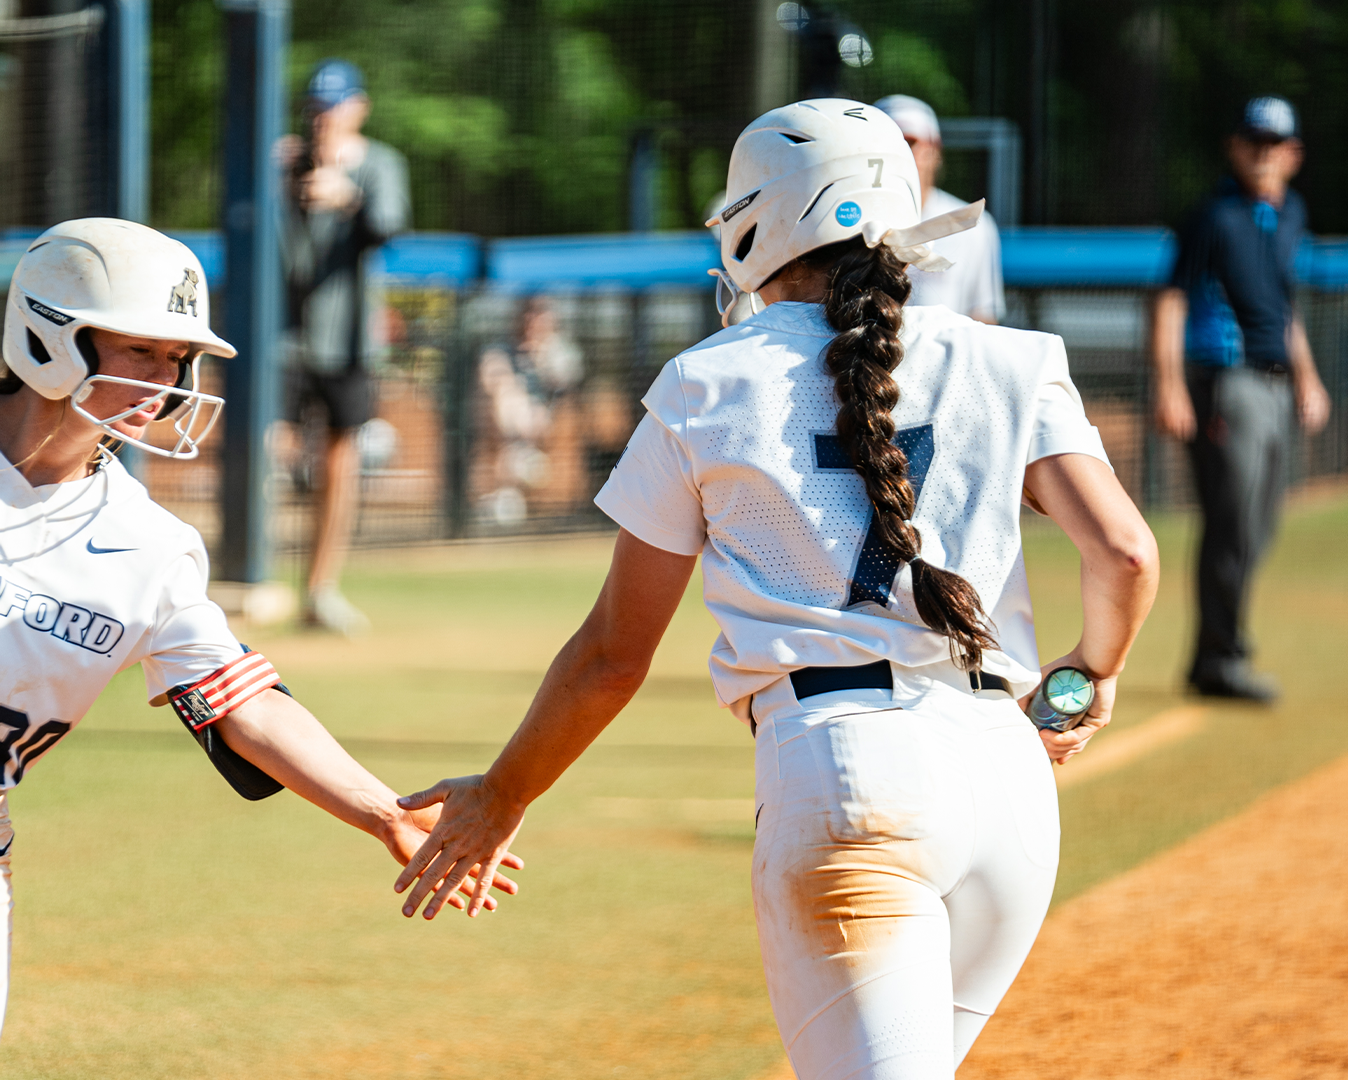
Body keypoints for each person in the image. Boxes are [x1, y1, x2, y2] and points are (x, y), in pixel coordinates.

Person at [393, 100, 1159, 1080]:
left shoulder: (705, 383)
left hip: (846, 780)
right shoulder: (1015, 360)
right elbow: (1127, 554)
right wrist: (1090, 678)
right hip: (1008, 783)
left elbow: (611, 657)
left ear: (767, 220)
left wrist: (502, 797)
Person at [0, 219, 517, 1080]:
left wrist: (383, 811)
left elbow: (245, 708)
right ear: (53, 336)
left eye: (178, 362)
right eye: (143, 351)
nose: (165, 384)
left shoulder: (152, 545)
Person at [1151, 95, 1332, 703]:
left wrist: (1308, 377)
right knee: (1230, 522)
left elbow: (1285, 308)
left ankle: (1219, 649)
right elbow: (1172, 298)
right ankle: (1220, 658)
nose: (1263, 153)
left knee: (1260, 524)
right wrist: (1170, 383)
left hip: (1276, 382)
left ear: (1293, 154)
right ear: (1235, 147)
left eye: (1274, 143)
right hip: (1225, 381)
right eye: (1252, 141)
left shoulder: (1291, 214)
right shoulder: (1212, 215)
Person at [281, 58, 409, 635]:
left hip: (349, 338)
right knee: (269, 449)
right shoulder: (280, 161)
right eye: (314, 109)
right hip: (283, 336)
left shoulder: (381, 164)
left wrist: (346, 195)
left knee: (340, 460)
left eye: (332, 108)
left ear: (358, 107)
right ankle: (254, 576)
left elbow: (388, 227)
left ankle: (320, 588)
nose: (322, 120)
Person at [874, 94, 1007, 323]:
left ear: (934, 150)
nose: (899, 153)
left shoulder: (973, 225)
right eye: (888, 143)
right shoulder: (852, 224)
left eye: (909, 142)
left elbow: (983, 316)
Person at [478, 296, 585, 523]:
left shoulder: (559, 351)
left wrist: (541, 356)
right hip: (507, 424)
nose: (532, 321)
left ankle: (515, 473)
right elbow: (490, 381)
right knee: (506, 391)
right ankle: (514, 474)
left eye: (539, 315)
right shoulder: (501, 350)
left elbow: (567, 381)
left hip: (541, 422)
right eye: (528, 314)